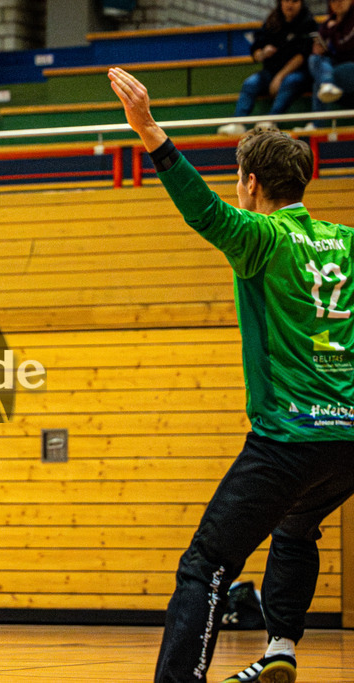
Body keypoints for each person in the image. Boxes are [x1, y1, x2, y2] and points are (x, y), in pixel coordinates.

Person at [109, 66, 353, 683]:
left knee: (207, 564)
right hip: (349, 440)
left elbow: (200, 208)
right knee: (296, 524)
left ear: (249, 183)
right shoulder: (345, 243)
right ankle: (280, 650)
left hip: (288, 439)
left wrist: (149, 130)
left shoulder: (260, 237)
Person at [216, 0, 317, 136]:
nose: (290, 5)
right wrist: (263, 53)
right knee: (250, 83)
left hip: (297, 74)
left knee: (290, 81)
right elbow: (256, 50)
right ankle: (238, 123)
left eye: (294, 1)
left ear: (301, 3)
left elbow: (302, 56)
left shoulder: (308, 23)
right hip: (269, 72)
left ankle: (270, 121)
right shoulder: (272, 21)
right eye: (286, 1)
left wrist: (280, 77)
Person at [304, 0, 354, 126]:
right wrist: (320, 50)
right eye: (333, 0)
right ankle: (327, 84)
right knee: (314, 59)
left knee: (320, 82)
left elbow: (345, 44)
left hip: (350, 68)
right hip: (334, 67)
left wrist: (333, 31)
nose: (338, 3)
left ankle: (317, 125)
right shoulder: (327, 23)